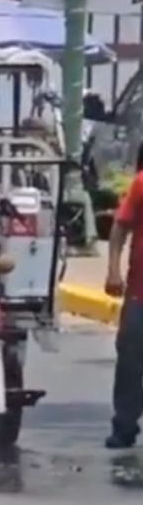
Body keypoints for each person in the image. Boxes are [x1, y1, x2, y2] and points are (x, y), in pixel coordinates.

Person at [104, 146, 143, 448]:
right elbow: (120, 228)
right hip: (140, 293)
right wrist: (113, 271)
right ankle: (125, 425)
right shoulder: (141, 184)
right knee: (131, 359)